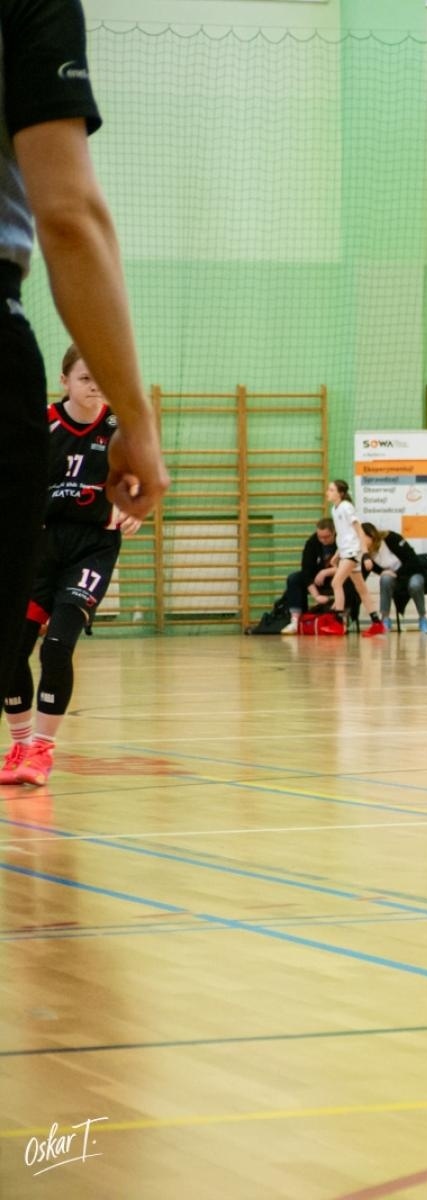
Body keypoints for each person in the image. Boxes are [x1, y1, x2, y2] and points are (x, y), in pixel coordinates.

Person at [0, 0, 170, 726]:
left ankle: (36, 744)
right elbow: (67, 216)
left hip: (84, 550)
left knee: (54, 644)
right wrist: (140, 419)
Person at [2, 346, 140, 786]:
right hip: (41, 543)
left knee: (58, 646)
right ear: (64, 382)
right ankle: (19, 745)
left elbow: (142, 478)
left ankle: (42, 750)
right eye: (84, 378)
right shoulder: (40, 425)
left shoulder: (121, 426)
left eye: (99, 377)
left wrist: (139, 506)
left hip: (93, 544)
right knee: (12, 649)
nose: (93, 385)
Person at [324, 480, 382, 637]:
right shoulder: (334, 509)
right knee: (362, 589)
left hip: (353, 552)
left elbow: (359, 531)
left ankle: (338, 623)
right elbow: (344, 535)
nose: (327, 492)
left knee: (336, 583)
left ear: (340, 493)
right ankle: (377, 623)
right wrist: (336, 556)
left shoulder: (346, 507)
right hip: (345, 551)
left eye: (331, 490)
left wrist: (366, 555)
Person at [360, 521, 427, 634]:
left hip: (412, 573)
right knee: (385, 579)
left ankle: (423, 618)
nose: (360, 541)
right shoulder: (365, 554)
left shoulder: (391, 538)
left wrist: (397, 573)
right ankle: (385, 619)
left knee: (415, 584)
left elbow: (412, 560)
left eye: (361, 537)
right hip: (394, 578)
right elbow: (364, 574)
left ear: (371, 535)